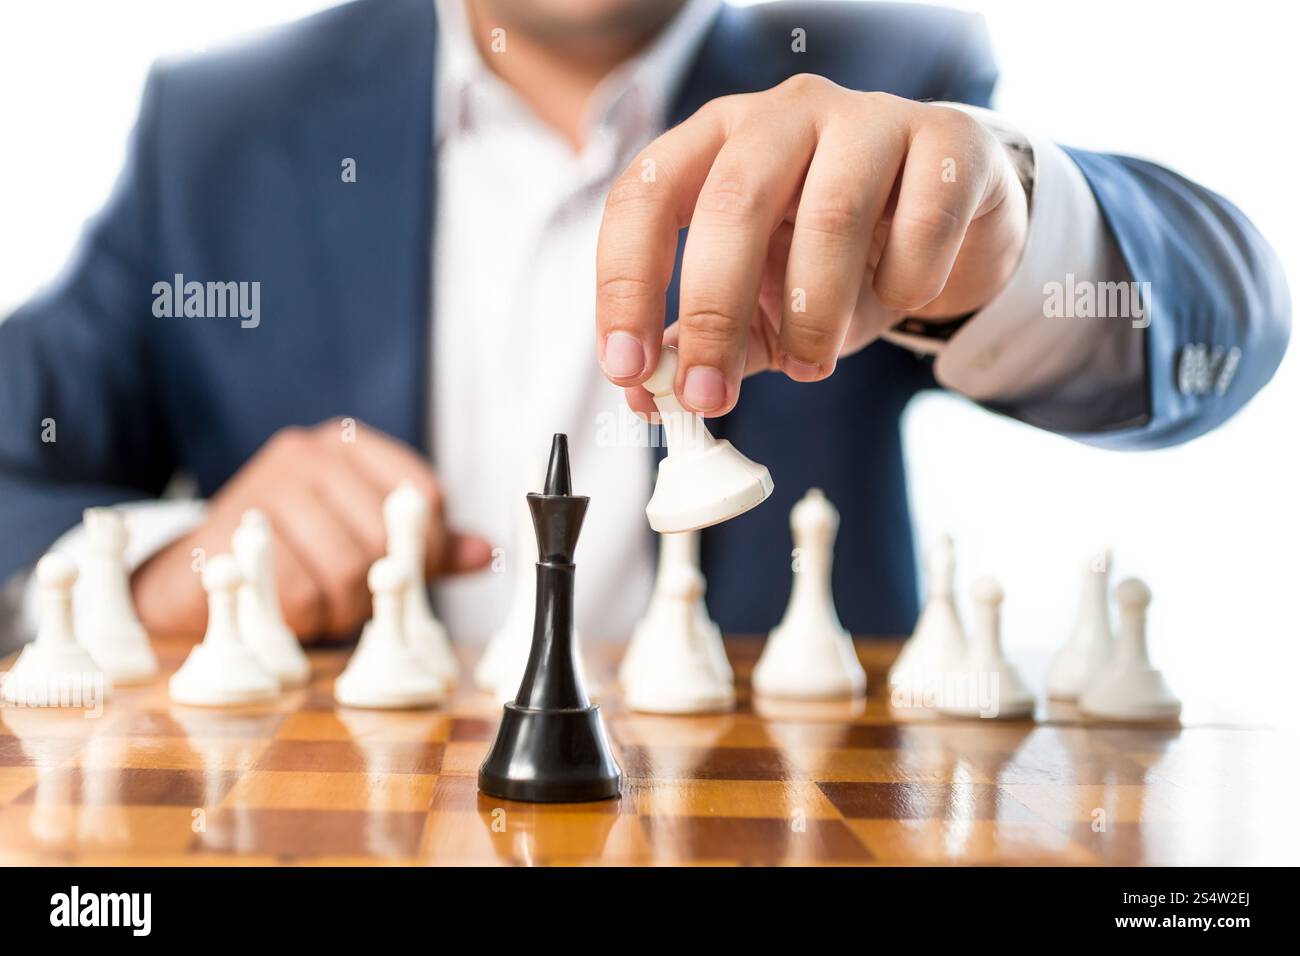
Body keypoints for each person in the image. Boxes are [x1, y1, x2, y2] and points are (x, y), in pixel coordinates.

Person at [0, 0, 1289, 651]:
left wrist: (1010, 224)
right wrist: (163, 569)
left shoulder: (893, 61)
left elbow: (1223, 327)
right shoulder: (220, 127)